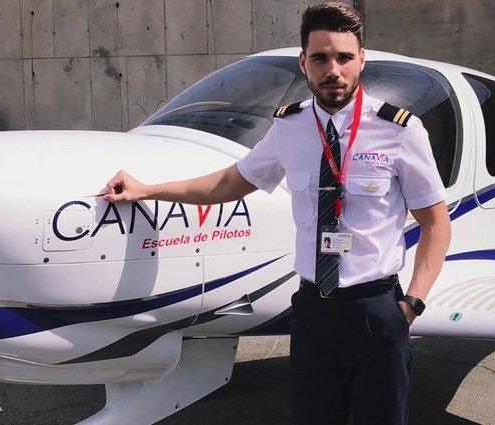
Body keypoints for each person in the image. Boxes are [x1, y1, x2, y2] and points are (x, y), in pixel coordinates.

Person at [102, 2, 451, 424]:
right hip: (311, 312)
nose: (332, 70)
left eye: (343, 57)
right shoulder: (290, 126)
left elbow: (435, 222)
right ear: (304, 62)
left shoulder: (399, 129)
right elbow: (231, 182)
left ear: (361, 59)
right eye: (320, 58)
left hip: (375, 310)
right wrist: (149, 189)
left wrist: (411, 303)